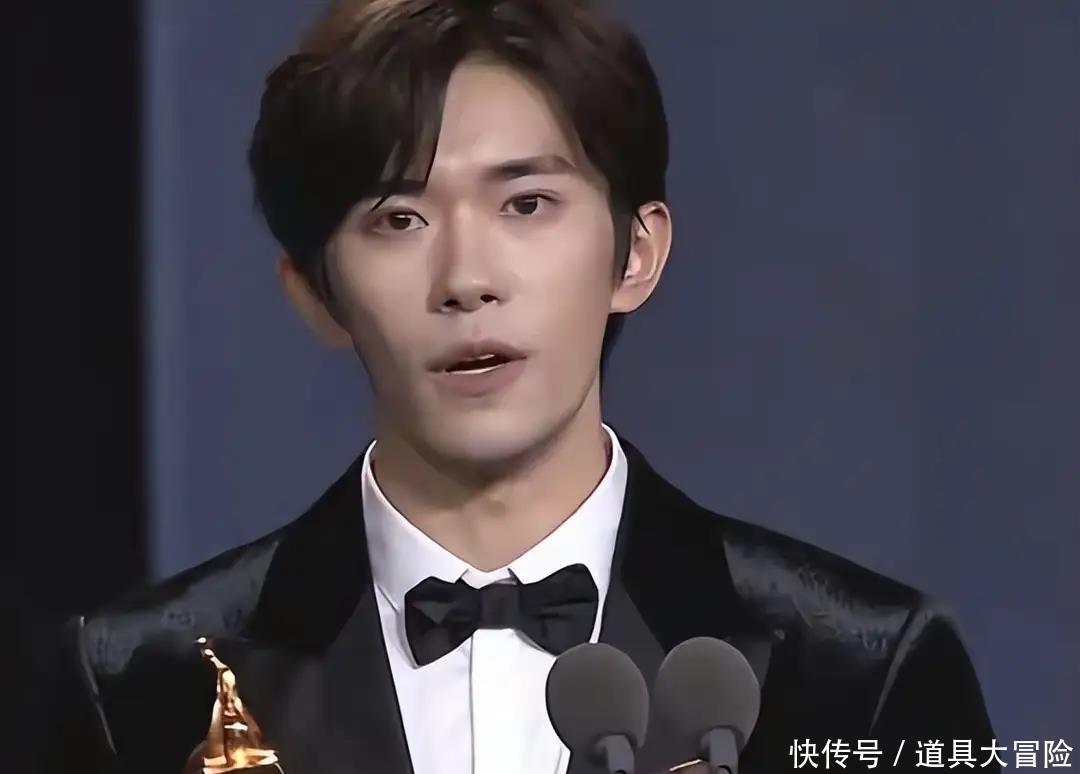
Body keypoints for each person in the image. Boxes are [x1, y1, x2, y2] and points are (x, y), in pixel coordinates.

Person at [43, 1, 997, 773]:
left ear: (635, 252)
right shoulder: (140, 683)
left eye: (526, 203)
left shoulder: (858, 669)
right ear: (315, 293)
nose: (467, 278)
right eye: (399, 219)